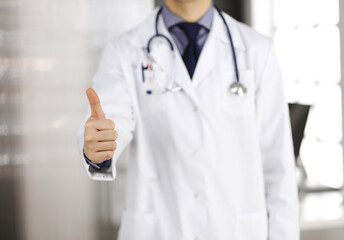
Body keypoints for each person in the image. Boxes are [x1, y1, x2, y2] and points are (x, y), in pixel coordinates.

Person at [78, 0, 299, 239]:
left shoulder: (257, 50)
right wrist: (99, 146)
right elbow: (111, 118)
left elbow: (279, 167)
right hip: (160, 230)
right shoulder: (124, 51)